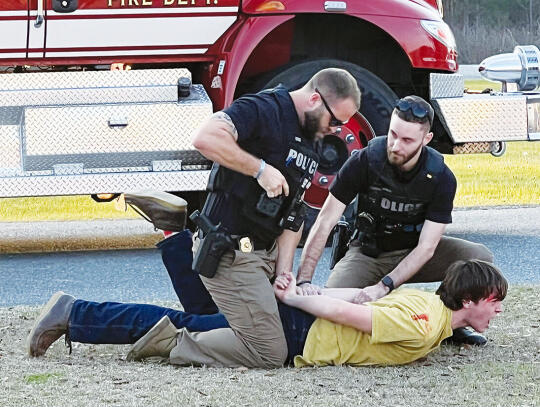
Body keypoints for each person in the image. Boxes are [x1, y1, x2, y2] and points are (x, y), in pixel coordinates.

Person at [28, 68, 361, 367]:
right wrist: (259, 169)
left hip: (264, 255)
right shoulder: (265, 109)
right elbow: (206, 137)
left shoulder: (313, 139)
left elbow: (294, 214)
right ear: (315, 97)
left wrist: (285, 272)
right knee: (269, 349)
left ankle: (86, 305)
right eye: (335, 120)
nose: (337, 129)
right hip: (233, 251)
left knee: (210, 320)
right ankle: (156, 337)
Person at [27, 260, 507, 367]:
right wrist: (297, 298)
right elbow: (356, 316)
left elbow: (365, 298)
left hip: (300, 327)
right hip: (298, 333)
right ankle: (77, 312)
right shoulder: (424, 322)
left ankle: (178, 242)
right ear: (470, 300)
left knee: (197, 317)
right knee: (186, 326)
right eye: (494, 299)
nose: (499, 308)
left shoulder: (430, 311)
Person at [294, 95, 494, 345]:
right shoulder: (364, 161)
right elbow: (325, 221)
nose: (396, 145)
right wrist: (303, 280)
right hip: (369, 253)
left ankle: (448, 324)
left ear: (426, 139)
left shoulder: (441, 178)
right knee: (329, 307)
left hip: (415, 253)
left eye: (407, 140)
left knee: (480, 258)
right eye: (393, 134)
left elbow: (427, 248)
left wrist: (384, 286)